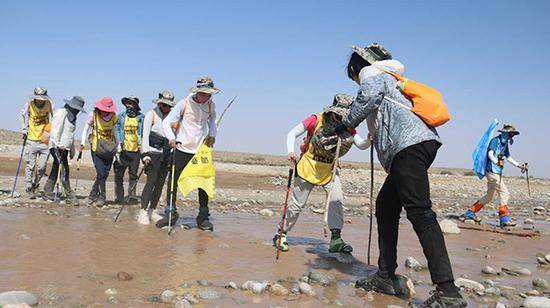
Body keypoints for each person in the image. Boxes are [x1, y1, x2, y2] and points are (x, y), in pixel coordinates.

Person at [336, 43, 466, 307]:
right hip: (416, 146)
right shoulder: (392, 79)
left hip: (409, 147)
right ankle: (385, 276)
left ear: (355, 67)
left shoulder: (373, 75)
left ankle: (448, 291)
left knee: (421, 213)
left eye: (351, 72)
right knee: (386, 206)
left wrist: (346, 124)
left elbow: (367, 98)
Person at [273, 94, 370, 253]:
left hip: (330, 170)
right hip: (308, 166)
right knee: (297, 206)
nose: (340, 118)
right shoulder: (316, 119)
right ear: (332, 111)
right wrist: (290, 151)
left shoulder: (349, 126)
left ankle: (336, 239)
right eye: (338, 115)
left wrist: (369, 140)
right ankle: (281, 233)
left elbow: (361, 144)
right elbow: (291, 134)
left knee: (337, 201)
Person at [158, 77, 218, 230]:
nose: (206, 97)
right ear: (197, 92)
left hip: (199, 151)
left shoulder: (211, 105)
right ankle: (170, 213)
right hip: (181, 148)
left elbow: (212, 122)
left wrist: (212, 135)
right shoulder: (184, 103)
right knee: (172, 181)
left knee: (203, 184)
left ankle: (203, 217)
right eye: (204, 93)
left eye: (209, 94)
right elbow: (167, 122)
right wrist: (171, 138)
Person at [462, 124, 527, 227]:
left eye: (513, 135)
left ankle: (470, 213)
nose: (512, 137)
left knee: (489, 196)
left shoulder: (505, 144)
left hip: (496, 172)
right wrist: (497, 162)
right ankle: (504, 218)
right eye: (511, 134)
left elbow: (508, 158)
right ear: (505, 133)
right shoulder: (495, 141)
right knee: (505, 192)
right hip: (491, 171)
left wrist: (520, 166)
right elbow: (490, 154)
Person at [137, 90, 176, 225]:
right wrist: (145, 155)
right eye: (164, 105)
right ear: (160, 104)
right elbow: (145, 136)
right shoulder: (151, 114)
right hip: (153, 153)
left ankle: (152, 210)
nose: (166, 108)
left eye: (169, 106)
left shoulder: (173, 117)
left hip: (166, 154)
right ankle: (143, 211)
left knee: (160, 184)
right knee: (151, 182)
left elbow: (174, 135)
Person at [43, 96, 86, 204]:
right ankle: (69, 195)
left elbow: (70, 135)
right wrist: (58, 144)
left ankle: (47, 191)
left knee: (56, 168)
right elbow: (55, 130)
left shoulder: (73, 118)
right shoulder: (62, 113)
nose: (77, 111)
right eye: (76, 109)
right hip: (56, 146)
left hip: (65, 148)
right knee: (64, 169)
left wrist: (72, 150)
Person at [81, 97, 118, 207]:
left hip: (109, 148)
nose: (105, 111)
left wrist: (119, 144)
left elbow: (115, 130)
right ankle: (102, 197)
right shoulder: (93, 115)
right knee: (101, 173)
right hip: (96, 148)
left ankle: (92, 195)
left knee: (104, 174)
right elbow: (85, 128)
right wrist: (82, 142)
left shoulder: (114, 116)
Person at [20, 87, 53, 198]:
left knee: (41, 167)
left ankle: (36, 185)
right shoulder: (29, 104)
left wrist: (51, 131)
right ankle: (29, 187)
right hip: (31, 140)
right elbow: (22, 115)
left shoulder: (49, 104)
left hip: (45, 141)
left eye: (42, 98)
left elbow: (54, 117)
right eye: (38, 98)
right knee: (30, 166)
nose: (40, 100)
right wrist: (24, 128)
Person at [113, 96, 144, 204]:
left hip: (135, 151)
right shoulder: (121, 117)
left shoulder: (141, 118)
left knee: (133, 175)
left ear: (136, 105)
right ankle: (119, 198)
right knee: (119, 175)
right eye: (127, 103)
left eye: (131, 103)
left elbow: (144, 133)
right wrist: (118, 143)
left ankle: (131, 197)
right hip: (123, 150)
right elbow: (116, 130)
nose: (128, 105)